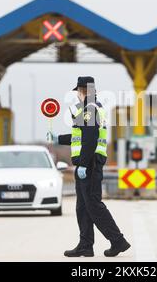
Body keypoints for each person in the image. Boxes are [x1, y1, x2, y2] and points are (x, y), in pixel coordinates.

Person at [47, 76, 130, 257]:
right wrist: (58, 139)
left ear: (82, 90)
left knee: (93, 205)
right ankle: (85, 245)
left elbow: (91, 138)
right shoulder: (90, 109)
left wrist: (83, 164)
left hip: (89, 164)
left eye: (77, 91)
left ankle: (118, 241)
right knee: (83, 207)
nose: (76, 95)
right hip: (88, 163)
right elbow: (81, 136)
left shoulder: (90, 109)